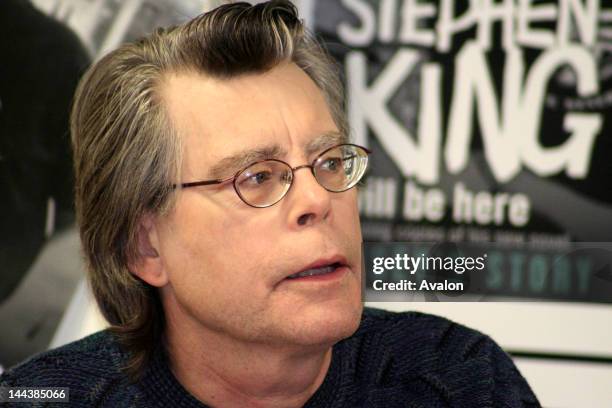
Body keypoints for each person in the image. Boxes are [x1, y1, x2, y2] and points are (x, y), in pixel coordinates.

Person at [0, 1, 540, 406]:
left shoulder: (458, 379)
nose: (316, 199)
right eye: (256, 177)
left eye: (330, 163)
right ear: (145, 247)